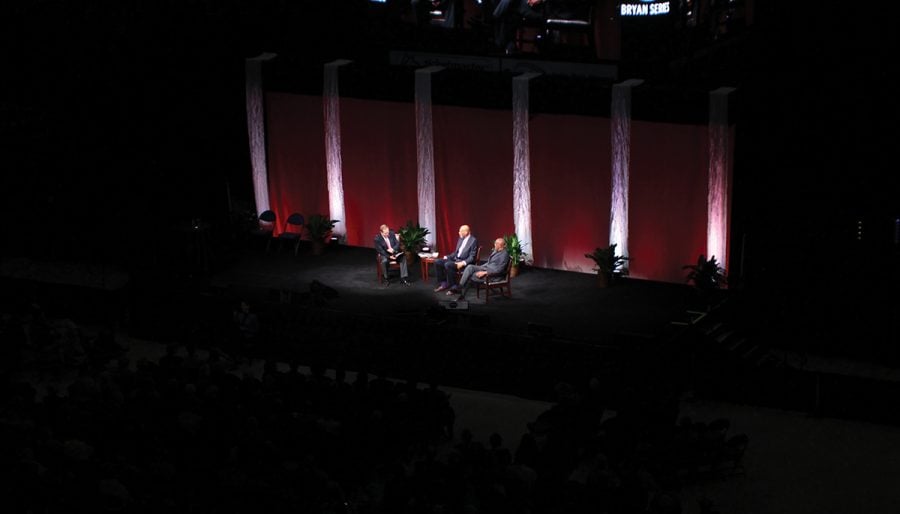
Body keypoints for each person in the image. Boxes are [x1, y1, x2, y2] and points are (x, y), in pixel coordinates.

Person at [434, 224, 478, 292]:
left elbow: (472, 257)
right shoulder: (461, 238)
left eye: (460, 231)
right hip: (455, 259)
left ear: (466, 232)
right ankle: (443, 283)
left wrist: (463, 263)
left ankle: (453, 287)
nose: (459, 232)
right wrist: (447, 257)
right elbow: (456, 252)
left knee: (448, 264)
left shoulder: (473, 240)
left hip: (463, 262)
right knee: (437, 261)